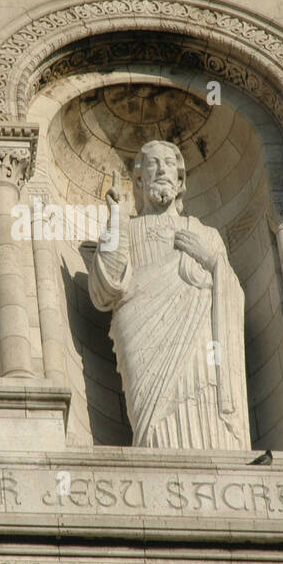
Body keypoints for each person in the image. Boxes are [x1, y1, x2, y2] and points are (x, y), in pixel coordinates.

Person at [86, 140, 249, 449]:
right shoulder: (126, 228)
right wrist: (118, 219)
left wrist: (214, 263)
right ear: (137, 180)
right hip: (142, 338)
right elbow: (106, 287)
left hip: (198, 342)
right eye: (152, 164)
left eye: (169, 164)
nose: (161, 170)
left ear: (180, 180)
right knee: (152, 425)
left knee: (200, 396)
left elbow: (232, 297)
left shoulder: (204, 233)